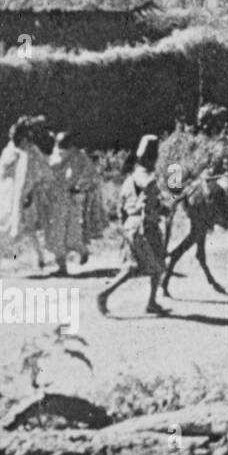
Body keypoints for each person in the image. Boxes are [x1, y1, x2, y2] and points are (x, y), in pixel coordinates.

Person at [98, 135, 170, 316]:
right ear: (153, 158)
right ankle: (105, 295)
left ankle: (151, 302)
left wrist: (127, 225)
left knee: (137, 267)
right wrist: (163, 211)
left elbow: (121, 207)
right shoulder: (150, 181)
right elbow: (150, 206)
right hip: (144, 226)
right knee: (155, 266)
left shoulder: (130, 178)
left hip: (131, 225)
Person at [0, 121, 51, 278]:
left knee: (29, 230)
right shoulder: (9, 151)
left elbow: (43, 175)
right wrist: (9, 165)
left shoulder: (34, 153)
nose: (16, 140)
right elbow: (1, 175)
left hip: (26, 199)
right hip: (6, 200)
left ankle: (40, 258)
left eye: (19, 137)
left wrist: (32, 192)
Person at [46, 131, 105, 271]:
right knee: (57, 232)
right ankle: (63, 266)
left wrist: (80, 188)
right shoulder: (56, 156)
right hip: (56, 198)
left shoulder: (78, 157)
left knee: (71, 231)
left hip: (68, 197)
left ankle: (81, 251)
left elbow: (91, 176)